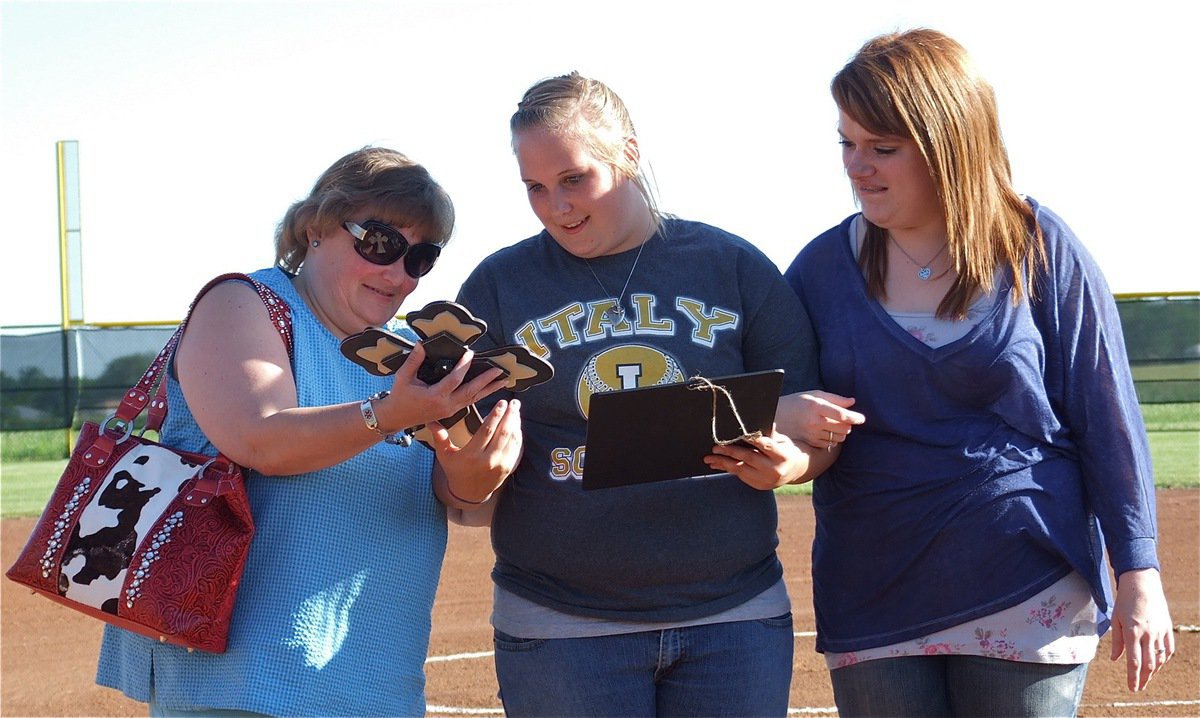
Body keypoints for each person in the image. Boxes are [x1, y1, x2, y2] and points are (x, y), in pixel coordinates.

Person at [783, 28, 1176, 717]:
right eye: (846, 143)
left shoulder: (1040, 248)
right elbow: (790, 420)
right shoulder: (819, 271)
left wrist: (1139, 571)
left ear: (949, 144)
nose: (857, 167)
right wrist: (788, 422)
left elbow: (1108, 418)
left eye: (882, 147)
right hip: (875, 593)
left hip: (1027, 583)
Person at [449, 71, 856, 717]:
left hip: (734, 619)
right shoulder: (501, 285)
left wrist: (797, 462)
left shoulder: (734, 267)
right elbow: (460, 471)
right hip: (560, 626)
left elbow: (816, 431)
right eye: (535, 187)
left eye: (574, 178)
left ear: (629, 155)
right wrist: (463, 469)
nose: (557, 206)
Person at [95, 146, 521, 717]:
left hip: (374, 684)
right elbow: (260, 440)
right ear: (317, 226)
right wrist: (389, 415)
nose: (396, 272)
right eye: (379, 242)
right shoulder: (245, 303)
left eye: (419, 257)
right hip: (238, 685)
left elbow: (459, 502)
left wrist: (474, 478)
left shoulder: (406, 356)